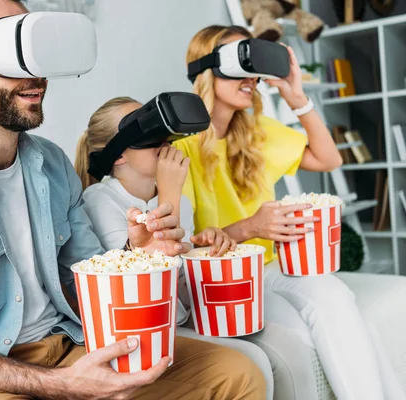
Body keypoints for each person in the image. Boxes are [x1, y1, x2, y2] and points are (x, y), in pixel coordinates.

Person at [0, 2, 267, 398]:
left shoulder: (51, 165)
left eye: (33, 51)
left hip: (68, 343)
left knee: (236, 374)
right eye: (9, 54)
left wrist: (134, 255)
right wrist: (64, 386)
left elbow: (80, 283)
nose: (35, 74)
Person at [174, 24, 406, 400]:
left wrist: (298, 97)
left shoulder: (255, 132)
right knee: (308, 333)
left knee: (337, 299)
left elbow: (328, 158)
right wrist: (250, 227)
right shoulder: (181, 147)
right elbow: (183, 247)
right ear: (207, 70)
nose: (250, 78)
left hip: (269, 266)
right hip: (221, 279)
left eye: (255, 67)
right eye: (240, 63)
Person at [75, 95, 276, 399]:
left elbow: (182, 282)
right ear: (118, 155)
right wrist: (169, 191)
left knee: (264, 348)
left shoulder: (179, 200)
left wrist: (204, 247)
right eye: (144, 131)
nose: (163, 140)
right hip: (145, 333)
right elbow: (144, 280)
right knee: (254, 361)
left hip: (180, 318)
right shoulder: (99, 199)